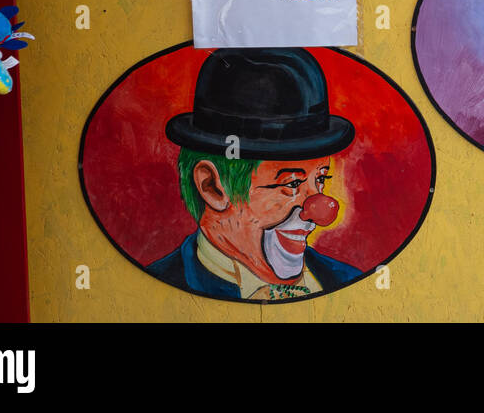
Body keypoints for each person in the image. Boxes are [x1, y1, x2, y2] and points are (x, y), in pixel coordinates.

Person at [146, 47, 361, 301]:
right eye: (291, 183)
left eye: (321, 179)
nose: (319, 211)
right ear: (212, 187)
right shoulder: (155, 290)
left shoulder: (347, 281)